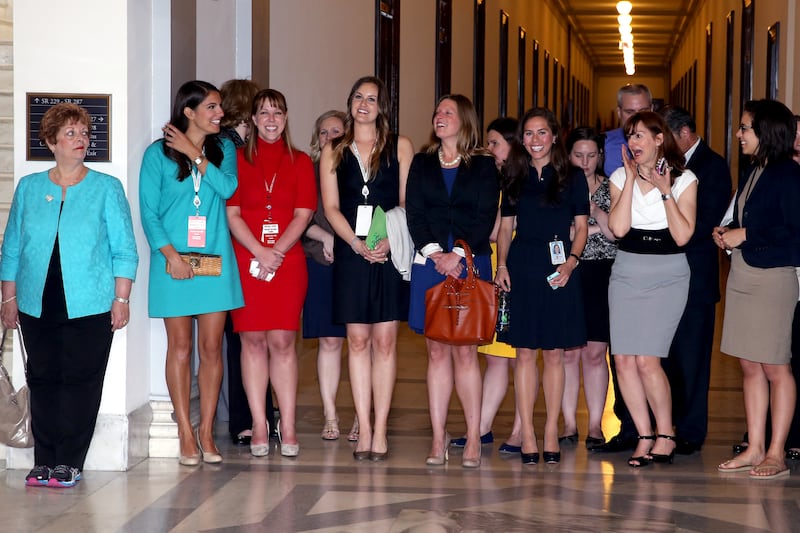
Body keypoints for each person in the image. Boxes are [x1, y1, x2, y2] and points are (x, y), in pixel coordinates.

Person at [0, 103, 138, 488]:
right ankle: (44, 460)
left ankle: (70, 462)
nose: (81, 140)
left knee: (81, 380)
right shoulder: (29, 187)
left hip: (91, 302)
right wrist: (8, 298)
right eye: (71, 134)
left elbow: (124, 249)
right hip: (34, 301)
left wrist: (121, 298)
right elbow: (11, 247)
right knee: (42, 378)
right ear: (50, 142)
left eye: (84, 133)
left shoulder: (106, 188)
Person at [140, 80, 243, 466]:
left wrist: (195, 154)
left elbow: (228, 188)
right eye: (212, 107)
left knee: (211, 349)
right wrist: (171, 256)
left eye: (219, 108)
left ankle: (206, 432)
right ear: (189, 111)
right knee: (180, 348)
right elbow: (149, 212)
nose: (219, 114)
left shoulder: (224, 148)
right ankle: (185, 431)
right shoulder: (157, 154)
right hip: (173, 262)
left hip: (215, 261)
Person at [320, 76, 414, 461]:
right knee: (356, 342)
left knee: (385, 342)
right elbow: (330, 207)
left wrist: (390, 241)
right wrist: (356, 245)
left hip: (389, 251)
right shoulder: (333, 150)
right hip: (352, 253)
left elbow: (408, 202)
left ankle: (381, 429)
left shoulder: (400, 146)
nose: (364, 103)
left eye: (372, 98)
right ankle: (363, 426)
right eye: (358, 96)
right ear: (349, 102)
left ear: (382, 107)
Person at [406, 94, 499, 468]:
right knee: (436, 352)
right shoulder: (422, 162)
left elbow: (484, 215)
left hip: (469, 260)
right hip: (430, 262)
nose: (439, 116)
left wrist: (456, 255)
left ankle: (474, 436)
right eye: (438, 111)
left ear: (465, 120)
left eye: (448, 112)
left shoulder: (484, 166)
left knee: (465, 352)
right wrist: (435, 253)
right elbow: (414, 210)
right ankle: (437, 436)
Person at [495, 107, 589, 466]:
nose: (535, 140)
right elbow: (505, 228)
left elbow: (581, 228)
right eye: (528, 134)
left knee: (554, 353)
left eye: (541, 133)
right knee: (523, 354)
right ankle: (528, 433)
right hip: (522, 266)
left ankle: (551, 429)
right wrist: (501, 265)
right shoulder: (513, 175)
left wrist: (572, 261)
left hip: (560, 268)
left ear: (554, 136)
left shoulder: (572, 177)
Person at [227, 89, 316, 458]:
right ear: (252, 119)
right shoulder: (235, 160)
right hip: (247, 259)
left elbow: (304, 213)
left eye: (277, 112)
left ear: (286, 117)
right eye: (263, 113)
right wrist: (259, 251)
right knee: (252, 341)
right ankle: (260, 423)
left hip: (286, 262)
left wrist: (275, 251)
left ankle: (289, 423)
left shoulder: (300, 161)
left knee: (282, 342)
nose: (270, 119)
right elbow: (232, 214)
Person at [715, 100, 800, 479]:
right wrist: (726, 231)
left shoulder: (789, 175)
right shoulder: (754, 169)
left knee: (775, 365)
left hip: (773, 279)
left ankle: (777, 452)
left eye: (745, 128)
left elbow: (794, 233)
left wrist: (746, 234)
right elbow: (743, 215)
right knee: (749, 364)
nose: (739, 134)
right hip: (744, 274)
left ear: (766, 131)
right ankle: (755, 447)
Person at [607, 111, 698, 467]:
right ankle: (644, 435)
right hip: (628, 270)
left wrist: (664, 192)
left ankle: (666, 433)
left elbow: (682, 235)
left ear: (660, 139)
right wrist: (630, 181)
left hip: (667, 272)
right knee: (624, 359)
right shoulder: (618, 176)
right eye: (630, 136)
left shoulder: (685, 179)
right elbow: (617, 228)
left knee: (647, 359)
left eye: (641, 135)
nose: (633, 143)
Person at [659, 105, 732, 455]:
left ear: (685, 132)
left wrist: (669, 232)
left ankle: (690, 430)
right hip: (662, 275)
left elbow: (706, 221)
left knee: (692, 358)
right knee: (666, 357)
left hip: (695, 277)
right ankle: (665, 426)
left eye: (666, 135)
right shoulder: (664, 164)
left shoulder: (713, 166)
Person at [450, 117, 523, 454]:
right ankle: (481, 427)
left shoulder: (520, 182)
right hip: (490, 268)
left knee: (521, 354)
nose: (489, 150)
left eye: (496, 143)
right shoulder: (486, 177)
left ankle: (522, 430)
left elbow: (496, 229)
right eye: (488, 143)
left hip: (519, 268)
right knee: (494, 354)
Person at [217, 78, 278, 447]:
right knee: (247, 339)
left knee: (248, 339)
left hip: (245, 250)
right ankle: (250, 418)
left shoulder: (241, 146)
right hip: (241, 252)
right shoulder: (231, 148)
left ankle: (255, 416)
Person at [595, 83, 653, 453]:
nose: (634, 118)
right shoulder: (605, 147)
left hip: (650, 259)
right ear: (618, 113)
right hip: (608, 257)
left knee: (649, 352)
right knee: (620, 348)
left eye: (642, 110)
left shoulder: (660, 147)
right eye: (628, 112)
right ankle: (628, 426)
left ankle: (658, 426)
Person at [302, 110, 358, 441]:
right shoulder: (307, 172)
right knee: (330, 341)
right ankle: (331, 415)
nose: (330, 138)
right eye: (324, 132)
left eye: (337, 131)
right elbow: (296, 216)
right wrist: (325, 238)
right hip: (320, 264)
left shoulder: (358, 173)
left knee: (361, 343)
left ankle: (361, 416)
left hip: (357, 265)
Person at [561, 127, 614, 450]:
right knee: (569, 353)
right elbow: (558, 231)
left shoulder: (612, 187)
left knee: (596, 353)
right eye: (578, 155)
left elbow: (614, 233)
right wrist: (592, 227)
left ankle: (595, 424)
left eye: (591, 155)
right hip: (569, 270)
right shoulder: (559, 187)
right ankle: (568, 423)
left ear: (600, 156)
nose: (585, 162)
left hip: (603, 274)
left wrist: (591, 213)